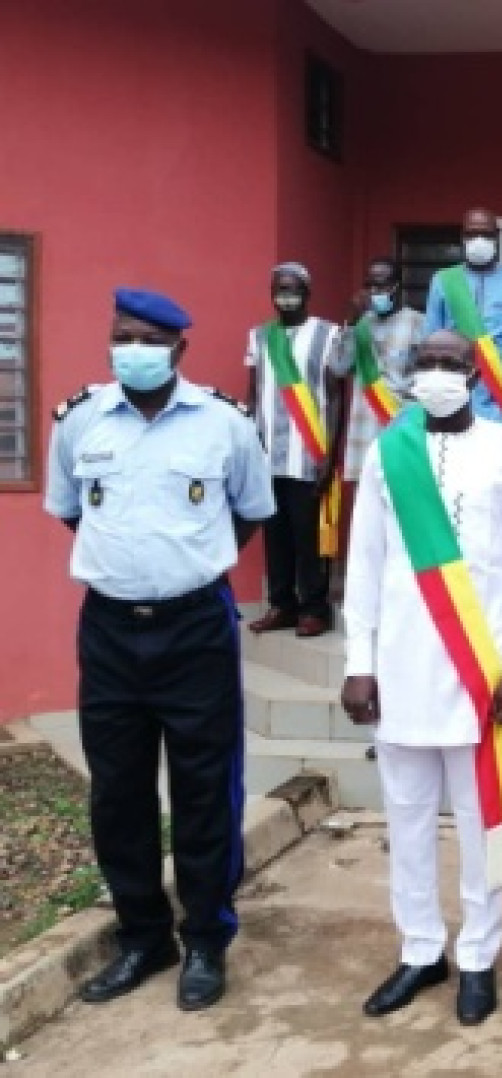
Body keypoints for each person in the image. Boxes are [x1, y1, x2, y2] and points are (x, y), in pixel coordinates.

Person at [44, 288, 275, 1011]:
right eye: (121, 336)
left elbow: (248, 513)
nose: (131, 349)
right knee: (118, 791)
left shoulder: (224, 425)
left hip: (195, 628)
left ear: (178, 348)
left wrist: (188, 567)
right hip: (109, 629)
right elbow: (73, 512)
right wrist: (132, 569)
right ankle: (144, 937)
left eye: (147, 338)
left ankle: (206, 938)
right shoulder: (80, 419)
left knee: (205, 790)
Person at [341, 330, 502, 1027]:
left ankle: (481, 956)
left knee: (492, 823)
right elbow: (363, 564)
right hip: (399, 668)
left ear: (475, 374)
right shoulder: (386, 454)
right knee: (406, 822)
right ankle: (421, 949)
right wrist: (357, 664)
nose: (436, 373)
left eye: (449, 364)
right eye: (424, 363)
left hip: (482, 675)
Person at [244, 263, 343, 637]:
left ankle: (315, 608)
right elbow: (253, 392)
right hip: (268, 452)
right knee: (275, 533)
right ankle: (282, 605)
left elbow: (335, 397)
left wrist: (328, 455)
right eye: (278, 289)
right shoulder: (258, 336)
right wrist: (247, 442)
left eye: (292, 288)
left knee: (308, 535)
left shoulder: (328, 334)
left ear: (306, 292)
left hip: (309, 450)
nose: (284, 295)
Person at [424, 207, 502, 431]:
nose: (479, 240)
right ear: (462, 238)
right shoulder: (443, 281)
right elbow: (430, 344)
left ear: (496, 237)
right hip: (454, 393)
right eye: (472, 234)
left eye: (485, 234)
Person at [332, 256, 424, 483]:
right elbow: (338, 368)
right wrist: (351, 324)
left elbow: (426, 378)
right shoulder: (360, 324)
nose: (375, 291)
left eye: (381, 285)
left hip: (401, 426)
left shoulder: (417, 322)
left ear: (396, 286)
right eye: (369, 285)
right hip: (364, 430)